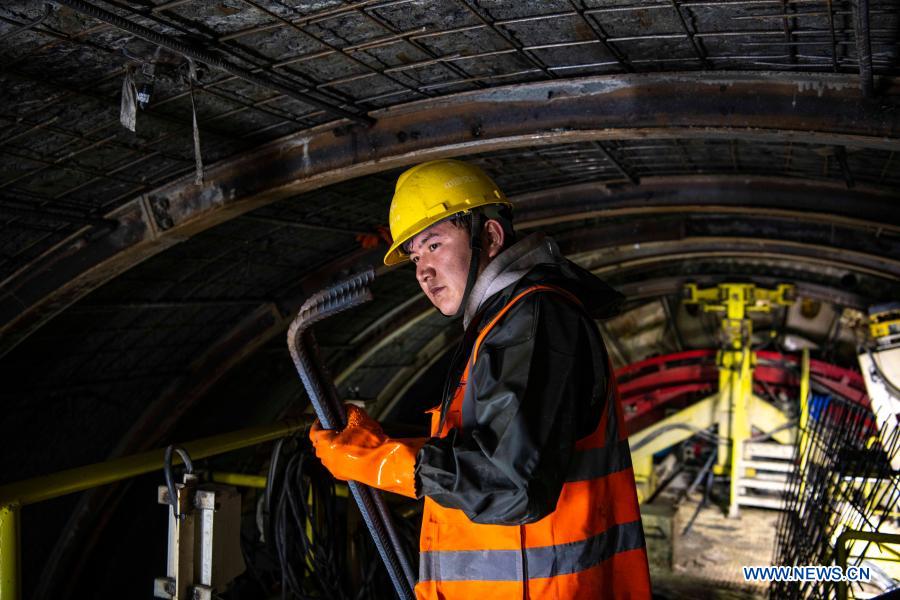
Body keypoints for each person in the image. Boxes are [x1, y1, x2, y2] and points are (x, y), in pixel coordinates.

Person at [310, 160, 652, 599]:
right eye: (415, 257)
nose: (422, 272)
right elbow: (488, 443)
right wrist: (381, 441)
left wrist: (383, 461)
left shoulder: (533, 321)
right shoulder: (504, 323)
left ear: (489, 236)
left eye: (433, 244)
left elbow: (512, 486)